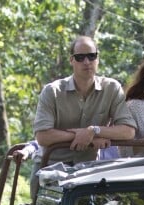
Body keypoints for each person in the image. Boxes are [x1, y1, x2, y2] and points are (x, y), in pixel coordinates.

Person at [33, 36, 136, 169]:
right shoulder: (52, 91)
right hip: (50, 166)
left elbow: (128, 131)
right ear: (71, 60)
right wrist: (87, 137)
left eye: (92, 56)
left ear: (98, 59)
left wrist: (94, 130)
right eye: (80, 57)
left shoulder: (111, 88)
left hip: (89, 168)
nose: (87, 62)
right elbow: (42, 136)